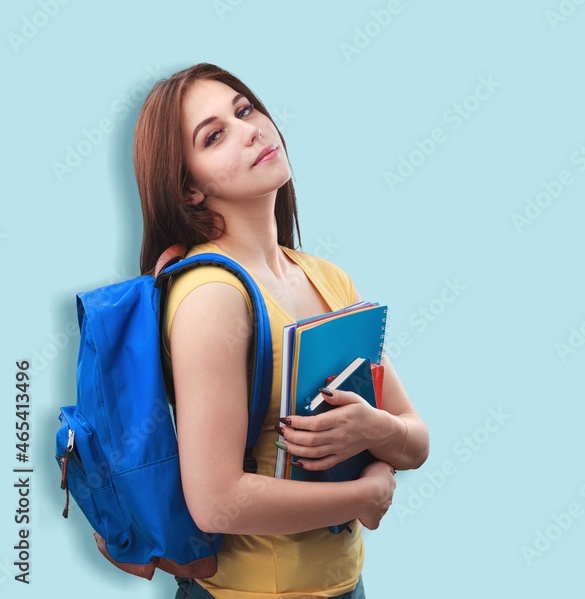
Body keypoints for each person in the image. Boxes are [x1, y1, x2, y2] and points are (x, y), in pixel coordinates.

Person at [133, 63, 429, 599]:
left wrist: (374, 432)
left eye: (245, 109)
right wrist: (363, 496)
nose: (249, 129)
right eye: (214, 135)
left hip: (344, 586)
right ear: (189, 188)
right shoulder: (212, 296)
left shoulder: (326, 277)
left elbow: (415, 435)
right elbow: (216, 501)